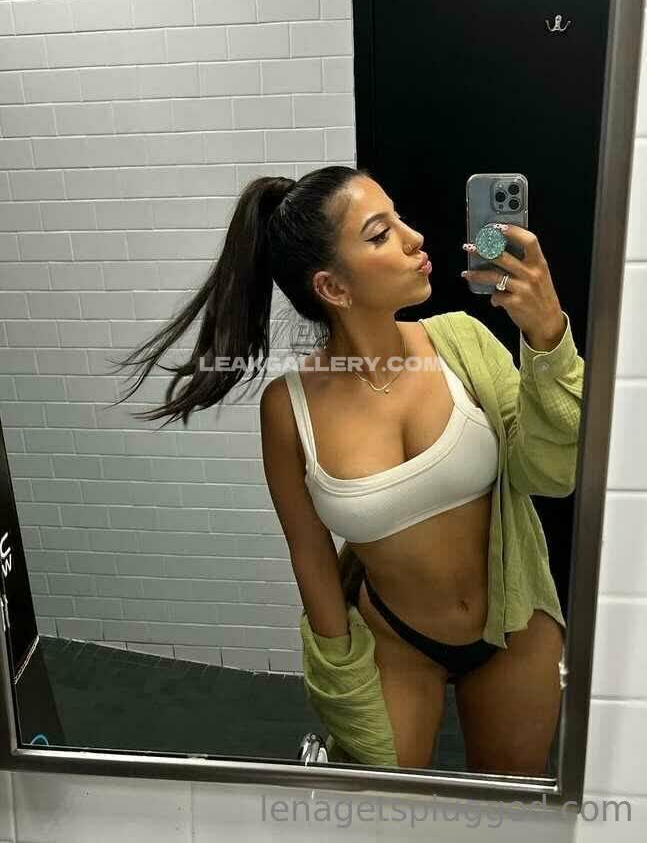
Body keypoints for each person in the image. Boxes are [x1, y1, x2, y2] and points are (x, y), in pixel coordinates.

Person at [109, 165, 584, 773]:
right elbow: (309, 555)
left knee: (513, 805)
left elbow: (552, 474)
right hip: (396, 642)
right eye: (381, 233)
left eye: (399, 219)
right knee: (383, 809)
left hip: (514, 626)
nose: (415, 238)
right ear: (333, 288)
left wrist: (547, 337)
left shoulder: (462, 340)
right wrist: (342, 675)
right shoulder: (289, 408)